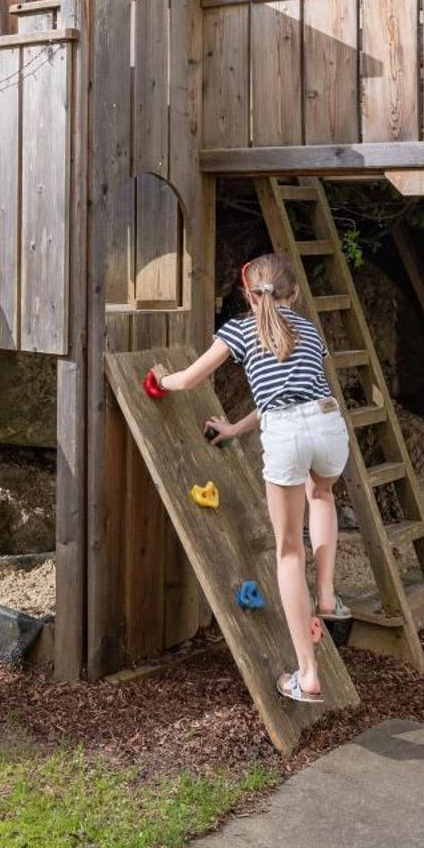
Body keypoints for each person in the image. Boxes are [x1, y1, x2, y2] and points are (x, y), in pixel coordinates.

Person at [151, 253, 349, 703]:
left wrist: (164, 379)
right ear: (293, 295)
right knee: (321, 494)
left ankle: (307, 675)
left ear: (246, 293)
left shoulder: (239, 330)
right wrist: (236, 429)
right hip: (327, 424)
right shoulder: (308, 329)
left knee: (288, 553)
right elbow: (293, 391)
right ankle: (327, 595)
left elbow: (188, 381)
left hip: (287, 435)